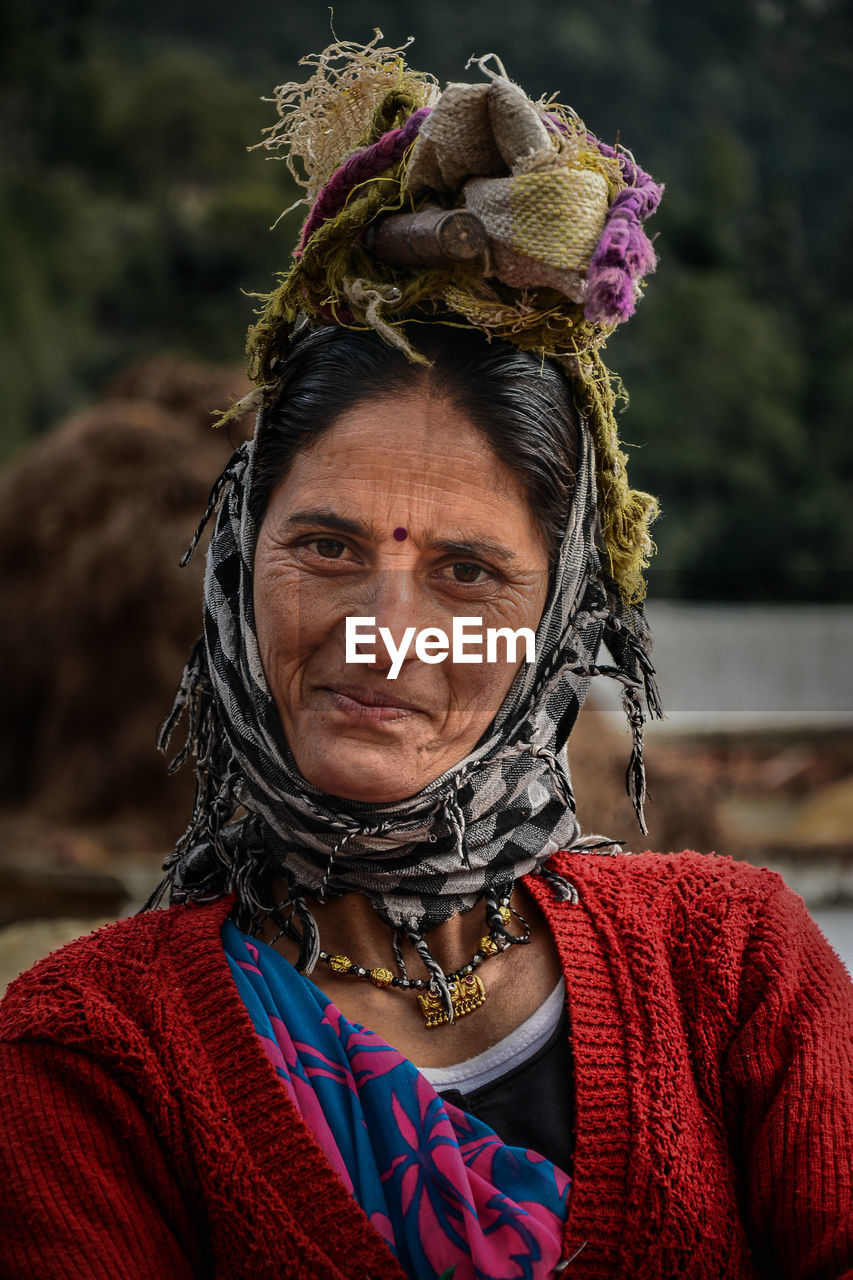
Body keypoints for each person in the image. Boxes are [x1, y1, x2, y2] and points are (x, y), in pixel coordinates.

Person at [2, 37, 852, 1280]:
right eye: (327, 548)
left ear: (553, 623)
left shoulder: (735, 973)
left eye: (467, 571)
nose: (381, 630)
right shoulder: (94, 1055)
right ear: (239, 569)